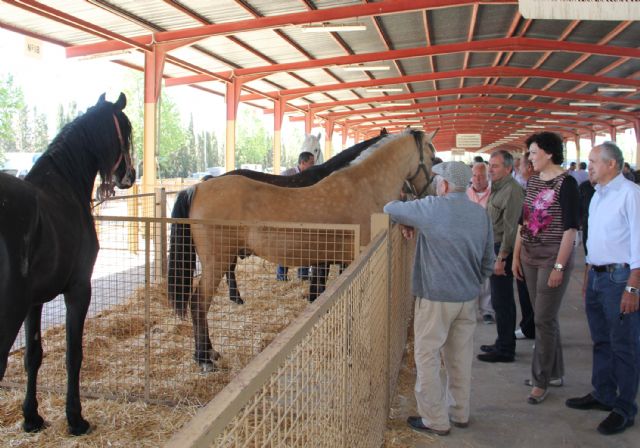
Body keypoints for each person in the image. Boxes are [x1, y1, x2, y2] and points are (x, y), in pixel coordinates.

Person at [384, 161, 494, 436]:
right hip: (467, 298)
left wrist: (406, 221)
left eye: (437, 181)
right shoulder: (480, 213)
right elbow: (488, 260)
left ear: (444, 185)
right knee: (460, 356)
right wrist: (473, 283)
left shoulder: (433, 207)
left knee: (428, 356)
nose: (435, 185)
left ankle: (434, 419)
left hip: (435, 298)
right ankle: (459, 412)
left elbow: (390, 208)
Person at [566, 142, 640, 436]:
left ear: (612, 165)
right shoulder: (598, 195)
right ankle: (603, 393)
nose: (589, 167)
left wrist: (633, 287)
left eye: (594, 161)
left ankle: (624, 407)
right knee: (601, 340)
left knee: (624, 343)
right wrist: (587, 276)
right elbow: (594, 240)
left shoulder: (630, 195)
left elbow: (638, 243)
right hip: (597, 276)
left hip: (620, 278)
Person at [512, 132, 579, 404]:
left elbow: (570, 229)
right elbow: (524, 220)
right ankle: (554, 372)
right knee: (545, 317)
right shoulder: (533, 181)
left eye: (533, 152)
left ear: (549, 153)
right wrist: (516, 256)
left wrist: (559, 267)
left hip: (552, 257)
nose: (529, 158)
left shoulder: (568, 184)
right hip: (529, 256)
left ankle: (540, 381)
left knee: (542, 318)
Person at [478, 150, 524, 363]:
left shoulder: (512, 191)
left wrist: (502, 257)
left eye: (495, 166)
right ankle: (502, 341)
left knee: (503, 301)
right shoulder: (497, 188)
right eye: (490, 165)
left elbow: (511, 227)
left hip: (502, 250)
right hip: (494, 248)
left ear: (508, 169)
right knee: (498, 300)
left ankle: (506, 349)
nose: (490, 169)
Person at [276, 151, 315, 281]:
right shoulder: (286, 175)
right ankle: (281, 276)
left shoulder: (311, 176)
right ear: (303, 163)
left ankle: (303, 275)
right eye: (311, 163)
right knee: (286, 246)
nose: (314, 166)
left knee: (305, 245)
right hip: (288, 217)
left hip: (305, 216)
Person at [467, 162, 495, 324]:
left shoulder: (492, 194)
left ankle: (487, 311)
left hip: (486, 241)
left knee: (486, 278)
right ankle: (469, 311)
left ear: (487, 177)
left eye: (481, 176)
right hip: (469, 241)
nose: (478, 179)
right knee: (468, 276)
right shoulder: (465, 194)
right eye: (475, 175)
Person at [514, 151, 536, 340]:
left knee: (534, 295)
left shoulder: (537, 188)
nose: (518, 168)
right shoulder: (529, 187)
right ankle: (529, 327)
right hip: (526, 248)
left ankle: (534, 329)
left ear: (529, 167)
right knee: (525, 293)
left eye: (520, 164)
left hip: (536, 251)